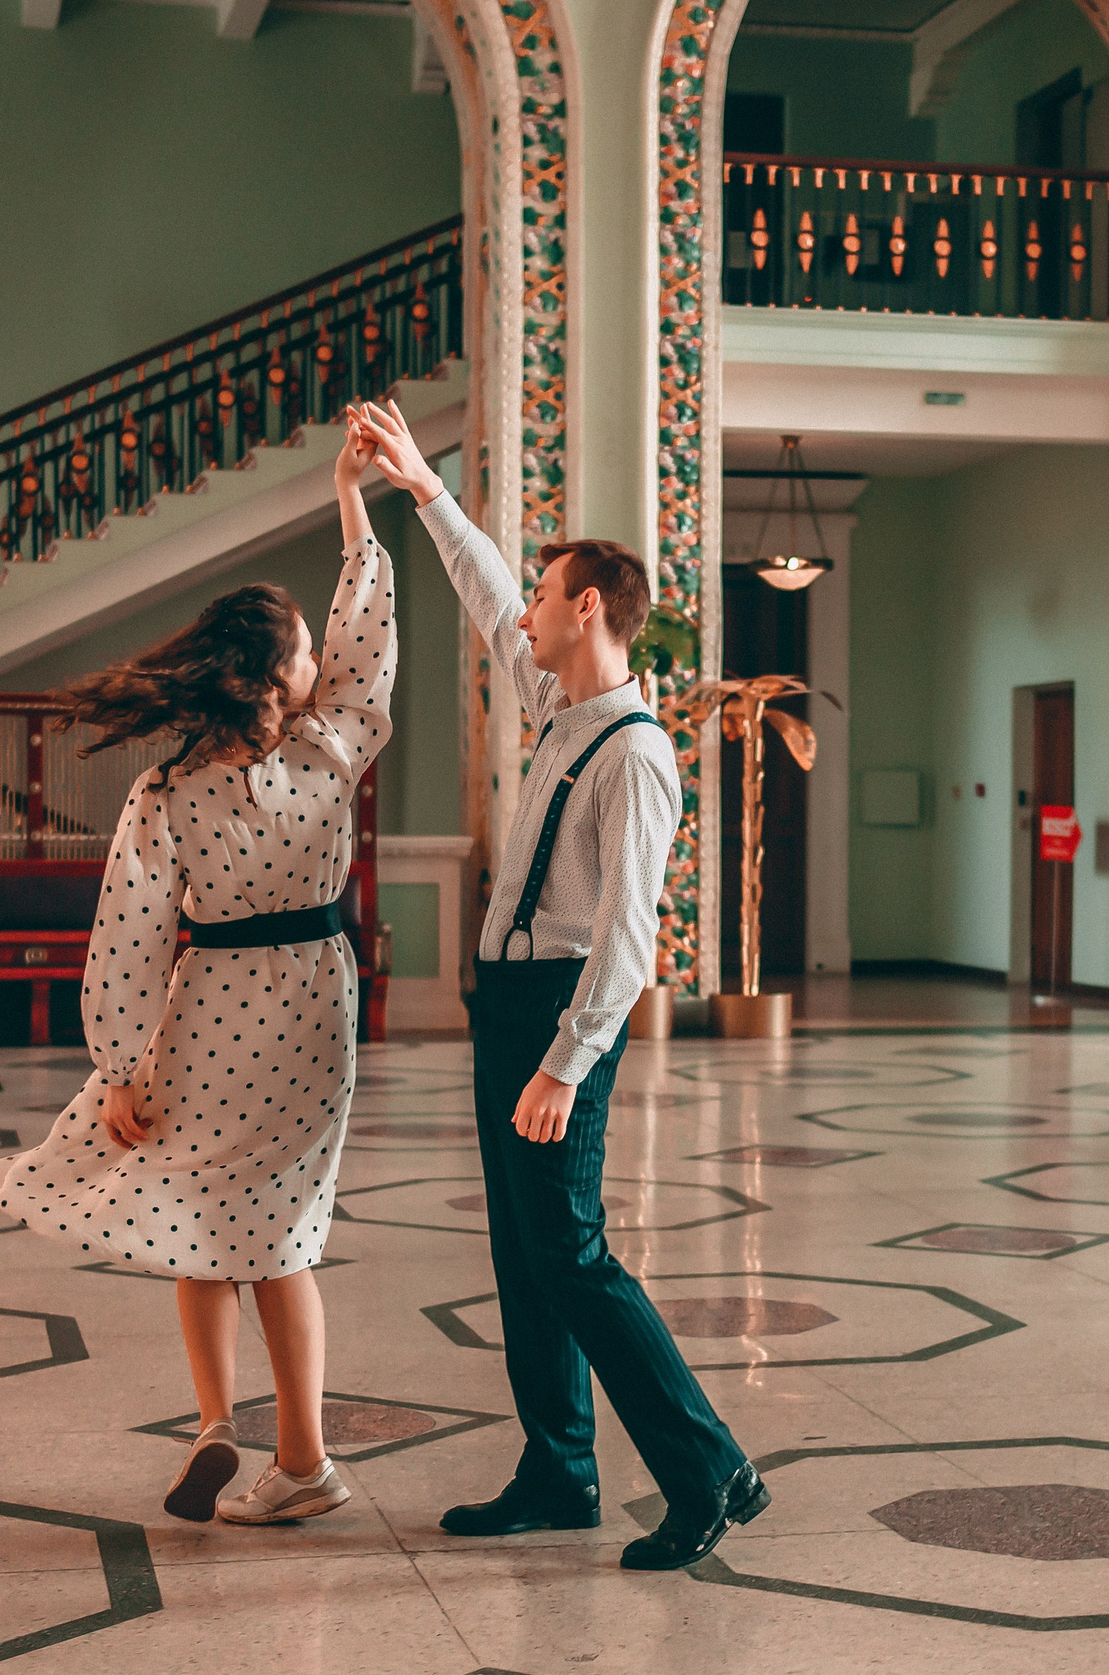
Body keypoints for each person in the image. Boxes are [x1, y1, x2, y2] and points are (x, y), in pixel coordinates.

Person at [349, 398, 765, 1571]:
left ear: (588, 608)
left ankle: (709, 1466)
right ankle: (559, 1469)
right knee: (523, 1253)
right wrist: (425, 491)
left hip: (558, 1018)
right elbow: (487, 602)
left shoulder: (633, 753)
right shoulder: (559, 708)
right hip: (509, 1006)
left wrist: (560, 1065)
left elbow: (628, 940)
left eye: (545, 591)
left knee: (573, 1253)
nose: (524, 606)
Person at [0, 421, 395, 1528]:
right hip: (311, 1001)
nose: (320, 662)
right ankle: (302, 1456)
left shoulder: (164, 792)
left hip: (203, 1009)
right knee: (283, 1235)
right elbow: (368, 642)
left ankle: (216, 1422)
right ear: (276, 674)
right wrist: (353, 503)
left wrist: (117, 1063)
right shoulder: (330, 750)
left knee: (195, 1218)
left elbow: (126, 930)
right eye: (303, 650)